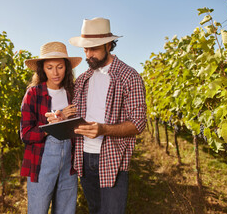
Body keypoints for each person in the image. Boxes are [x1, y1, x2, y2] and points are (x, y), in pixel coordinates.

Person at [47, 17, 147, 214]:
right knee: (95, 209)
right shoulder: (83, 79)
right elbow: (75, 114)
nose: (88, 54)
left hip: (112, 158)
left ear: (109, 45)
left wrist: (103, 129)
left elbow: (138, 123)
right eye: (85, 49)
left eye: (94, 48)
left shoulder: (129, 76)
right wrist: (61, 118)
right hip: (84, 158)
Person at [20, 41, 82, 214]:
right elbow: (25, 134)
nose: (55, 73)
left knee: (66, 211)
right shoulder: (33, 93)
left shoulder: (73, 92)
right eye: (49, 67)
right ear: (43, 69)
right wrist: (49, 126)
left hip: (69, 163)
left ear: (67, 68)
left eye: (60, 67)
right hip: (41, 161)